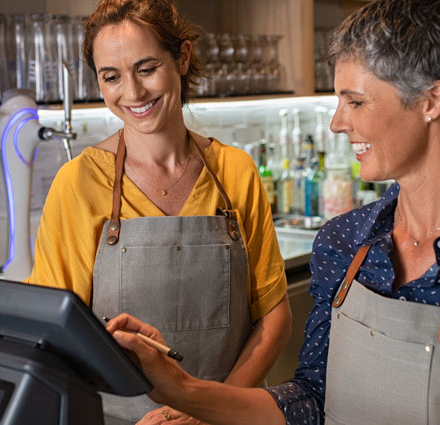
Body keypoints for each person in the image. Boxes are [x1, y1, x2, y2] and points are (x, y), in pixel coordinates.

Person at [104, 0, 440, 423]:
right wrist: (183, 389)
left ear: (433, 100)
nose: (336, 123)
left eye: (355, 102)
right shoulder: (342, 245)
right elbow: (311, 400)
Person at [24, 0, 292, 423]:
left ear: (182, 58)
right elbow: (55, 334)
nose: (132, 93)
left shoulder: (235, 171)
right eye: (111, 77)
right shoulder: (78, 183)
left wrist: (209, 408)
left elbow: (274, 318)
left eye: (146, 69)